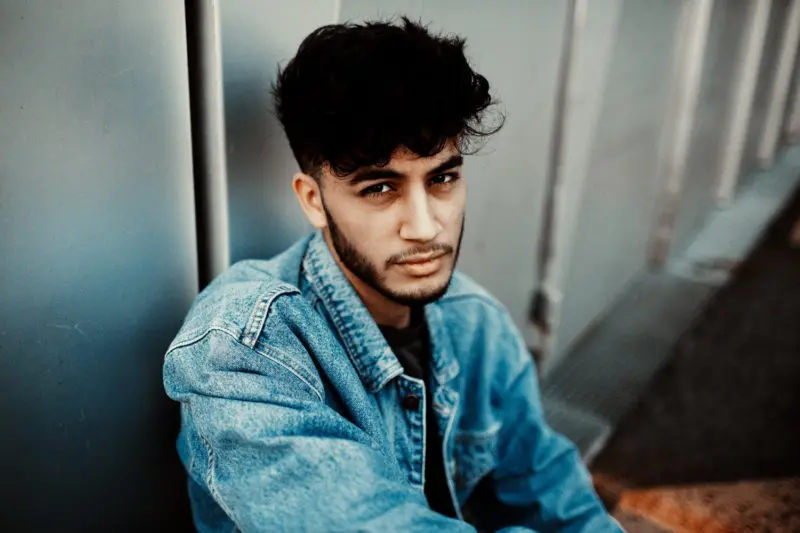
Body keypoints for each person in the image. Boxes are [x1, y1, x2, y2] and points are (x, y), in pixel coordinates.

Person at [163, 17, 622, 533]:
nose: (425, 227)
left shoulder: (477, 325)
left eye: (442, 178)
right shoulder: (246, 348)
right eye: (380, 189)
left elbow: (556, 497)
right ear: (313, 200)